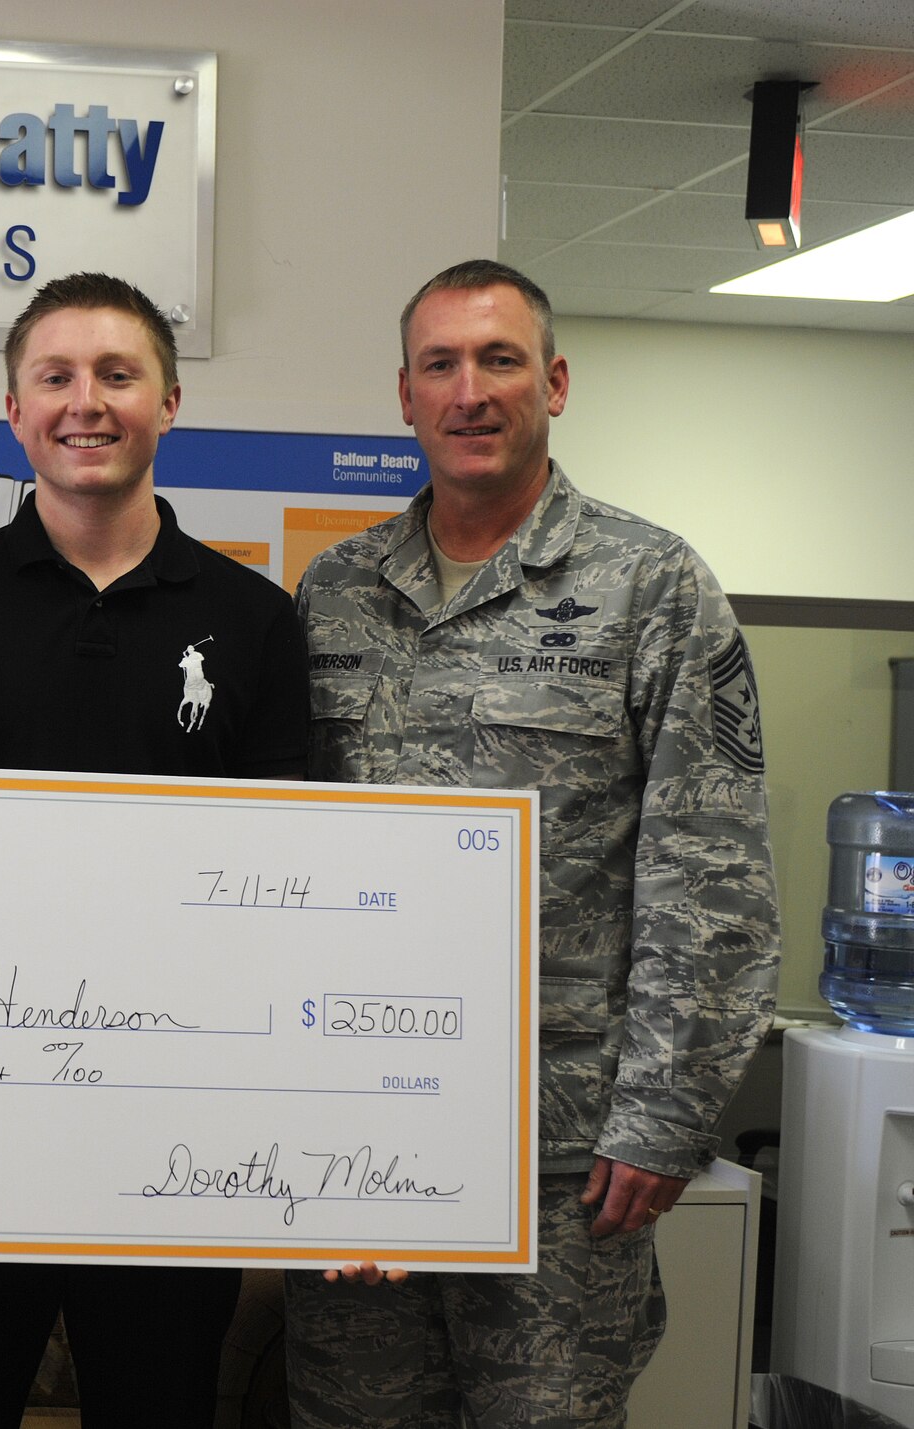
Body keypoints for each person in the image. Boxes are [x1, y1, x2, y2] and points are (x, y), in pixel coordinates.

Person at [284, 259, 779, 1427]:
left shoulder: (650, 585)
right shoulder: (331, 592)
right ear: (402, 397)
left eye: (499, 360)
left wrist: (664, 1115)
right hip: (356, 1134)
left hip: (558, 1156)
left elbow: (708, 876)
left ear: (552, 382)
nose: (470, 390)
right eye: (440, 365)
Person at [0, 273, 311, 1428]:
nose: (86, 401)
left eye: (117, 375)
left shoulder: (254, 618)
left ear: (168, 401)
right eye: (54, 377)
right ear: (12, 410)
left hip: (170, 1124)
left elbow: (280, 890)